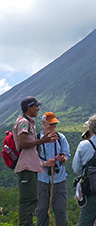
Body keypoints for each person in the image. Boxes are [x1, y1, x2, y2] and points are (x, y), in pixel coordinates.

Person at [13, 96, 57, 226]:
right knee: (28, 201)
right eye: (36, 106)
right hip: (26, 167)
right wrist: (42, 141)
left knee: (31, 200)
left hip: (29, 167)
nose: (38, 109)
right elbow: (22, 143)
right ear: (29, 107)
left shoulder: (29, 122)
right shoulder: (24, 122)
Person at [36, 112, 70, 226]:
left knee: (61, 213)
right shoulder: (37, 139)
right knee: (41, 212)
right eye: (51, 124)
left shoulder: (61, 138)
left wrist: (61, 159)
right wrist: (45, 163)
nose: (53, 127)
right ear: (43, 123)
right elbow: (30, 161)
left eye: (55, 124)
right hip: (42, 180)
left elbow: (67, 157)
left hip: (59, 180)